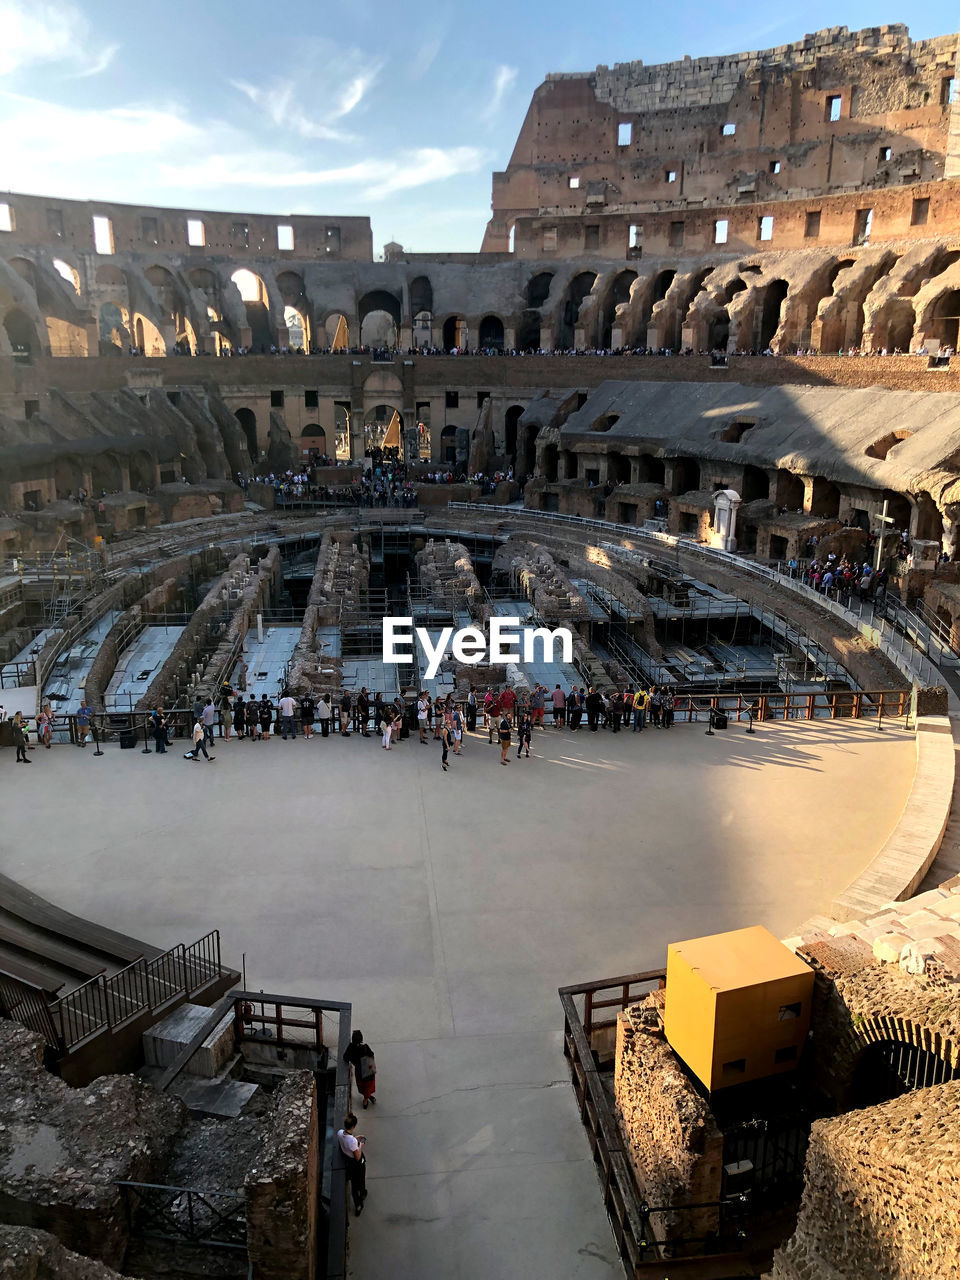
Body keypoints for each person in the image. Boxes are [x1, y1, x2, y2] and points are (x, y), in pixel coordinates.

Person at [337, 1113, 367, 1216]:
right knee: (360, 1179)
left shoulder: (340, 1133)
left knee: (354, 1184)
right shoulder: (353, 1141)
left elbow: (346, 1141)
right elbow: (357, 1156)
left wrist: (356, 1138)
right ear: (353, 1126)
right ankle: (362, 1195)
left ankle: (358, 1203)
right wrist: (360, 1145)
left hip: (348, 1162)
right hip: (356, 1164)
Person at [344, 1029, 378, 1107]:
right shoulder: (365, 1047)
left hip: (359, 1071)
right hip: (368, 1070)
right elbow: (371, 1054)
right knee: (368, 1086)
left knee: (362, 1086)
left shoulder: (351, 1048)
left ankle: (367, 1099)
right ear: (361, 1039)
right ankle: (366, 1099)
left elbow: (345, 1058)